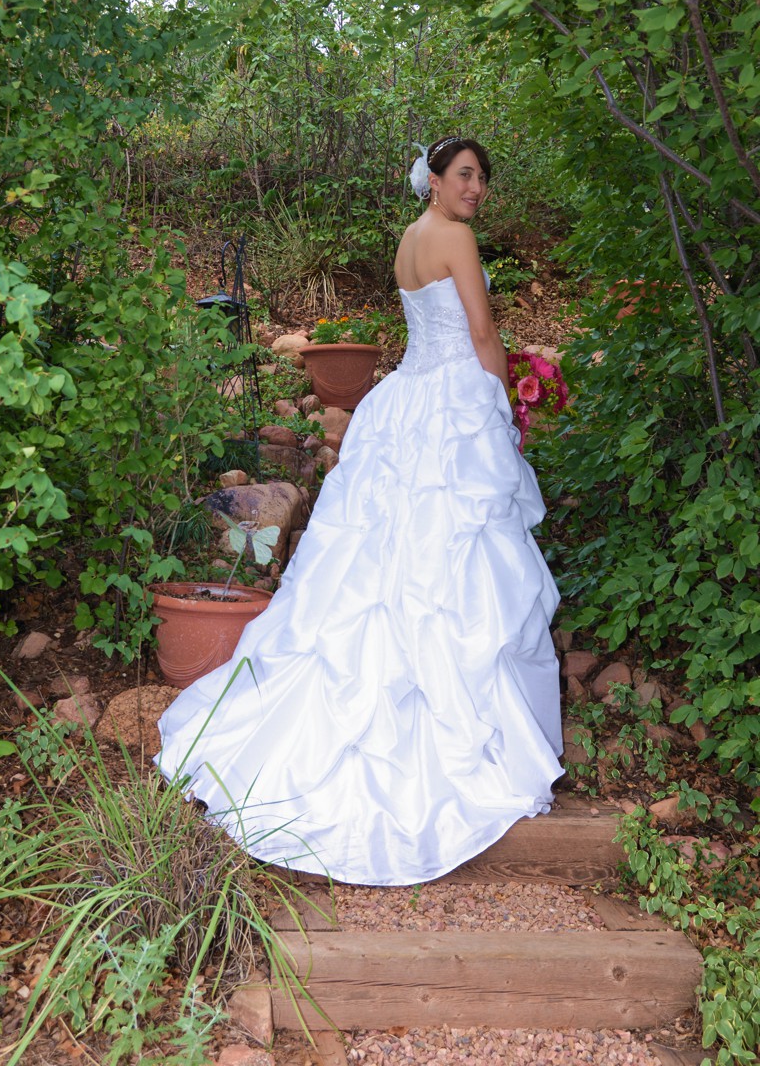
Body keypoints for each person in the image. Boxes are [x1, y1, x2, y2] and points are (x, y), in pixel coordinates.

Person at [156, 136, 563, 887]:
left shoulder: (412, 239)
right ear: (435, 181)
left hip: (403, 403)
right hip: (448, 409)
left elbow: (425, 332)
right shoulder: (457, 238)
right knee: (448, 562)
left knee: (377, 562)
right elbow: (479, 334)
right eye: (466, 175)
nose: (477, 188)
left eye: (483, 177)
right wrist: (501, 405)